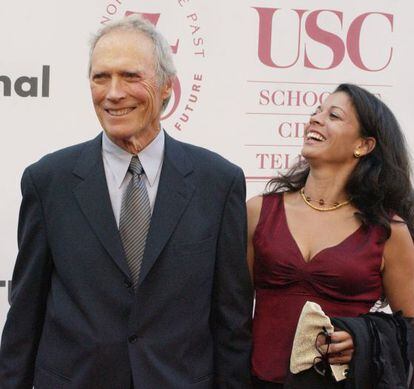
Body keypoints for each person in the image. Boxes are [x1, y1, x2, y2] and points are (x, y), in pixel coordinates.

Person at [0, 15, 253, 389]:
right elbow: (24, 315)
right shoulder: (47, 181)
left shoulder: (218, 183)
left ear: (167, 86)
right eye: (101, 77)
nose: (113, 93)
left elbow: (231, 322)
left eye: (131, 76)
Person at [247, 83, 414, 388]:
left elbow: (410, 327)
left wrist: (363, 339)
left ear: (363, 145)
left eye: (334, 116)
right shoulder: (258, 211)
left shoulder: (389, 232)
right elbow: (229, 312)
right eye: (316, 112)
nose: (316, 119)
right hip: (256, 381)